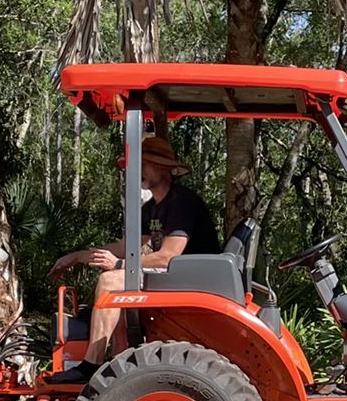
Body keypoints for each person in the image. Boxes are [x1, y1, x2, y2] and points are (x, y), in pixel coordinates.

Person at [46, 133, 220, 384]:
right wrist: (77, 257)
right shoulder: (151, 209)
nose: (138, 170)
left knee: (111, 282)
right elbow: (127, 246)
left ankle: (90, 365)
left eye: (144, 164)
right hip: (177, 276)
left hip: (195, 278)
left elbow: (168, 257)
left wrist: (120, 265)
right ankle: (120, 361)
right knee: (116, 283)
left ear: (163, 168)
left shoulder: (182, 203)